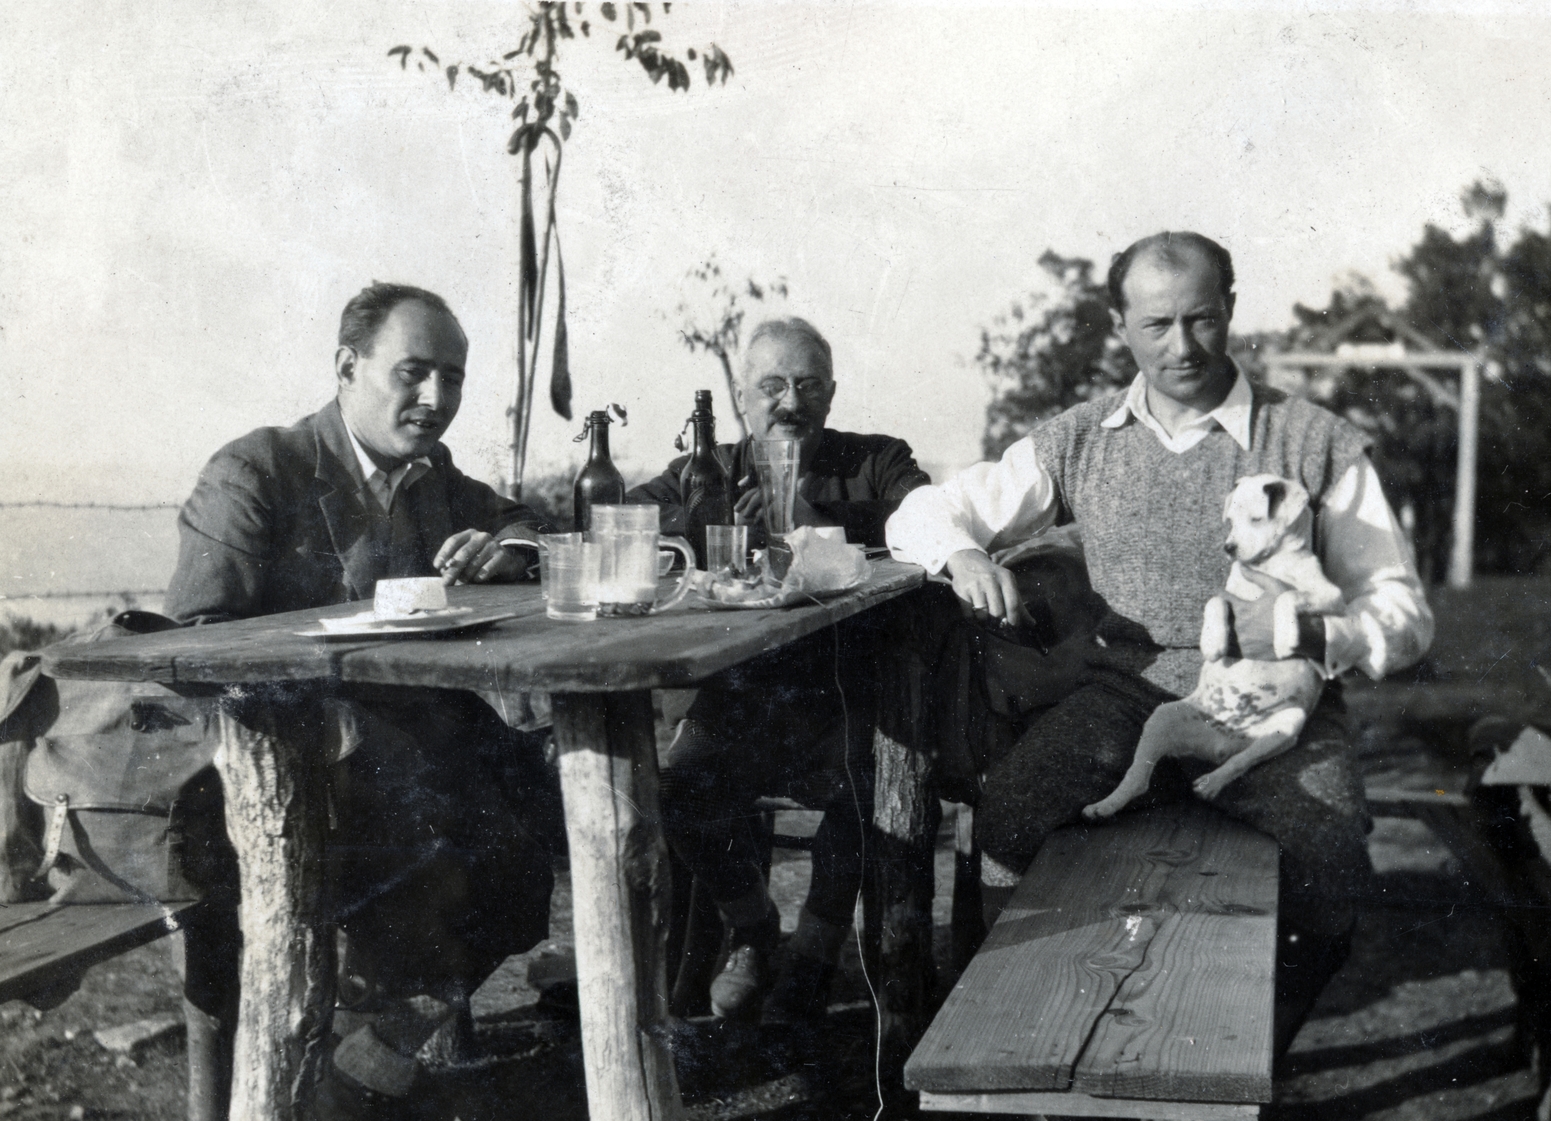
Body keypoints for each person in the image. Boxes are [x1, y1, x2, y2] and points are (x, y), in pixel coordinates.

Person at [886, 232, 1434, 1055]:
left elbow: (1404, 615)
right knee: (1010, 818)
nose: (1182, 347)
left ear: (1232, 310)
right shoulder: (1080, 437)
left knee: (1332, 863)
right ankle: (1033, 1042)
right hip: (1126, 698)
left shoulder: (1314, 441)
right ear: (1119, 324)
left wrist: (1303, 632)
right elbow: (923, 511)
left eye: (1202, 319)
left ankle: (1231, 1063)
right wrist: (961, 551)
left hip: (1273, 703)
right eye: (1157, 325)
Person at [166, 282, 557, 1118]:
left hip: (408, 767)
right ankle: (345, 1068)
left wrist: (507, 548)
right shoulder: (258, 469)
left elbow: (525, 521)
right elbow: (195, 644)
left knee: (538, 825)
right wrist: (335, 717)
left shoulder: (433, 475)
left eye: (452, 378)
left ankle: (371, 1054)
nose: (437, 399)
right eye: (413, 373)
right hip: (260, 771)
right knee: (458, 838)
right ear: (348, 366)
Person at [631, 317, 930, 1022]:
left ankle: (815, 954)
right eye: (771, 385)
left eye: (808, 384)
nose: (789, 401)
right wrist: (699, 525)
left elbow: (925, 520)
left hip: (851, 693)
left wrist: (809, 519)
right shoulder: (706, 470)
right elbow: (623, 513)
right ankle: (756, 928)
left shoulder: (878, 459)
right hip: (741, 695)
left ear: (830, 394)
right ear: (741, 396)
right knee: (679, 792)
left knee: (873, 788)